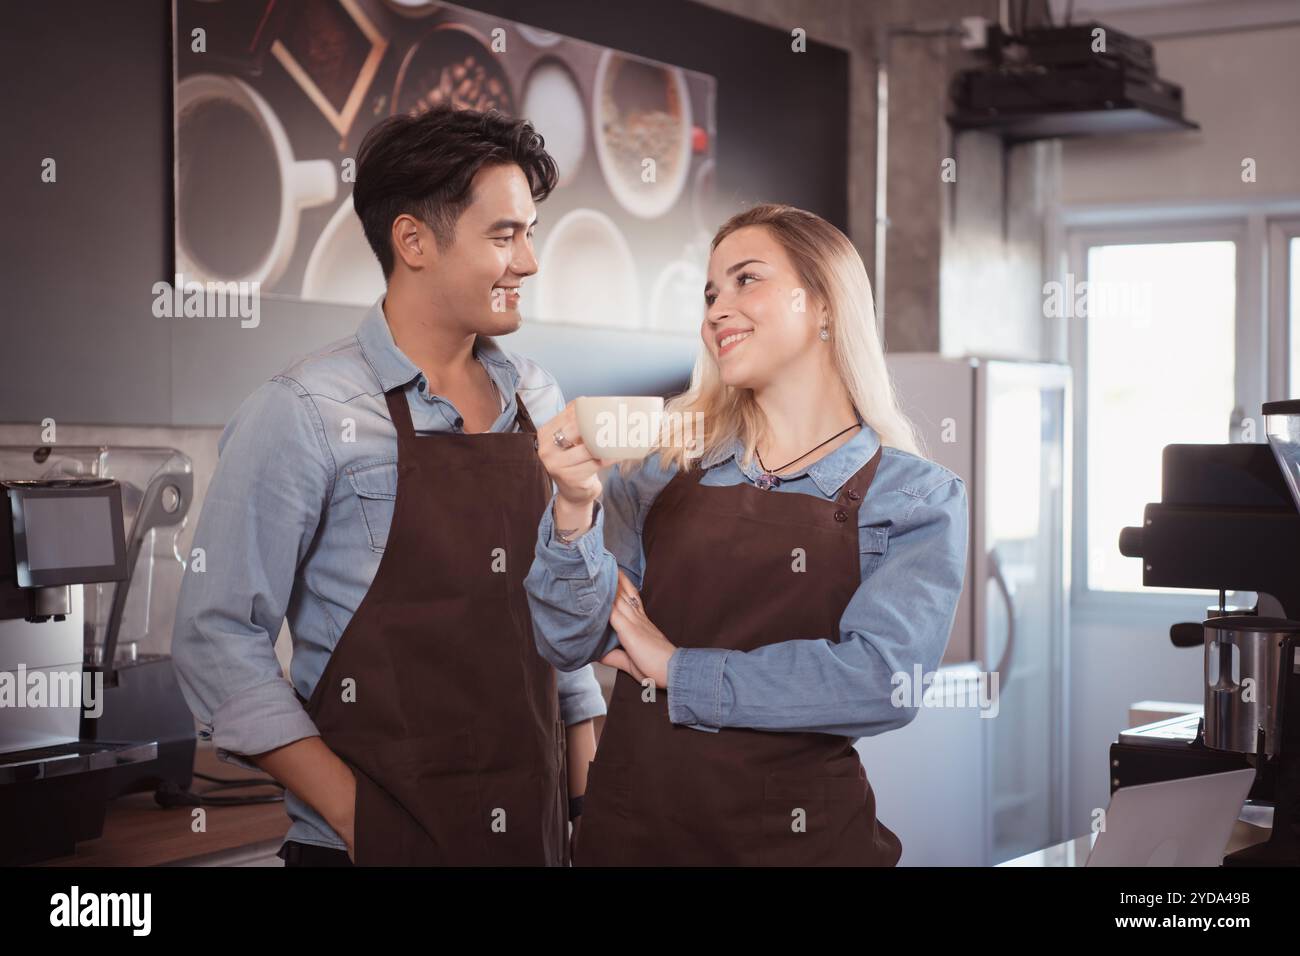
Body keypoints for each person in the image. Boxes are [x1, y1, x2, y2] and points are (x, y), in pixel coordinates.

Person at [171, 106, 605, 867]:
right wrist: (359, 822)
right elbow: (217, 637)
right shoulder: (303, 411)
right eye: (504, 236)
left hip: (532, 840)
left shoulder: (537, 396)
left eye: (531, 232)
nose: (530, 262)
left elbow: (558, 625)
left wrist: (585, 805)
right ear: (413, 241)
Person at [524, 203, 968, 866]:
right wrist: (573, 507)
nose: (716, 309)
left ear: (821, 303)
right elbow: (570, 638)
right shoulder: (659, 473)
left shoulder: (913, 498)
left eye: (745, 280)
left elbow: (880, 680)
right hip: (630, 839)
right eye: (709, 293)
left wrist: (678, 668)